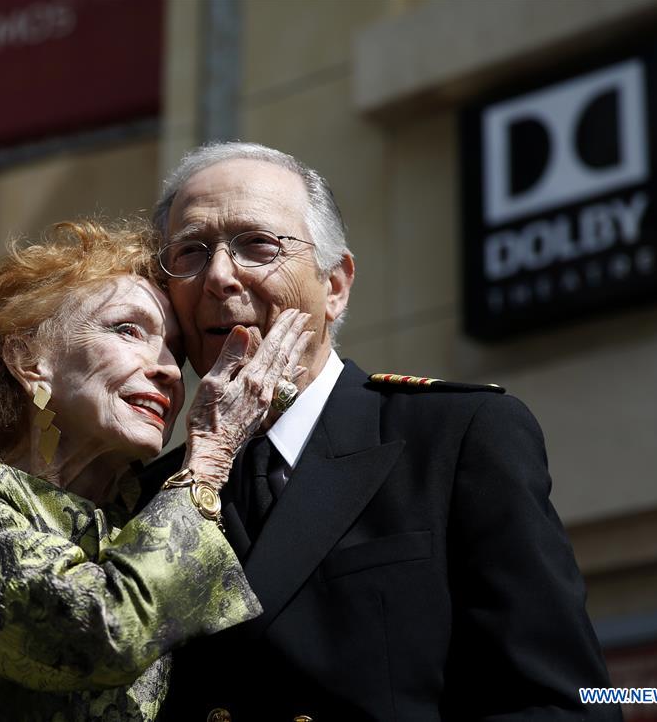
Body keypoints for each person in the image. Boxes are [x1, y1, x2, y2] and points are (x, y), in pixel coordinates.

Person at [149, 142, 623, 720]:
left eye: (258, 244)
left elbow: (563, 706)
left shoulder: (454, 437)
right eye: (191, 252)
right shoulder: (156, 493)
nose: (220, 276)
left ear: (335, 286)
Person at [0, 219, 312, 720]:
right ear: (28, 359)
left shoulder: (151, 513)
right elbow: (90, 632)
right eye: (127, 330)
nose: (169, 370)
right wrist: (211, 454)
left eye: (176, 351)